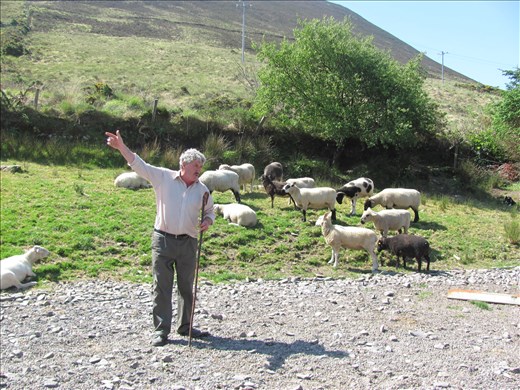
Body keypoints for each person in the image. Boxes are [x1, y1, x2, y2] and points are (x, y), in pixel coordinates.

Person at [105, 130, 215, 347]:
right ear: (183, 165)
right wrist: (121, 147)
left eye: (200, 168)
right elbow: (139, 165)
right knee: (161, 286)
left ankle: (186, 327)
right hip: (163, 240)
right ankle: (161, 331)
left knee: (186, 286)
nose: (199, 171)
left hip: (188, 242)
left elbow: (210, 211)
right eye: (196, 167)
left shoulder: (202, 190)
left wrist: (208, 222)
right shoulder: (163, 177)